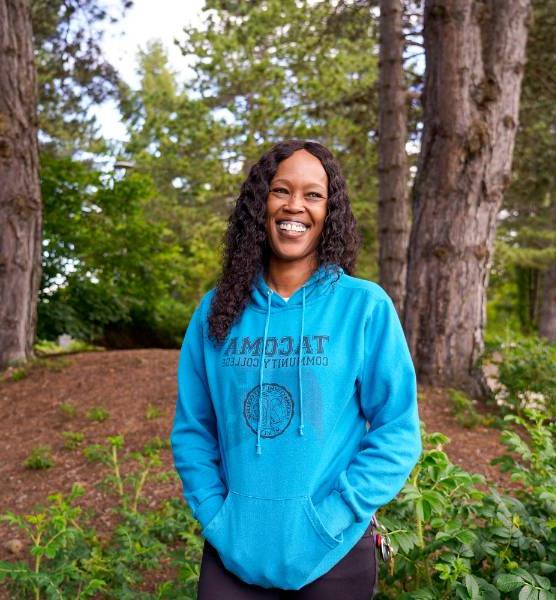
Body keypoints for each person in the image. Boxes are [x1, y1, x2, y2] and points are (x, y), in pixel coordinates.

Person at [170, 139, 422, 599]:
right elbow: (193, 430)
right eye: (281, 190)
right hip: (233, 551)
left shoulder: (363, 307)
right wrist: (216, 515)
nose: (295, 206)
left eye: (313, 195)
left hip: (333, 551)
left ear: (330, 211)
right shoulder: (216, 311)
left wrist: (335, 515)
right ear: (259, 205)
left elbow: (397, 431)